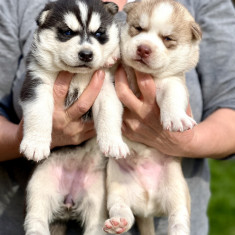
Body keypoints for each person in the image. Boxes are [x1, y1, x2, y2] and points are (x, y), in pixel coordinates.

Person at [0, 0, 235, 234]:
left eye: (168, 39)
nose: (146, 45)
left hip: (150, 189)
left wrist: (187, 141)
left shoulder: (204, 4)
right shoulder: (18, 5)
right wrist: (30, 134)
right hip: (32, 193)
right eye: (138, 29)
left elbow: (229, 102)